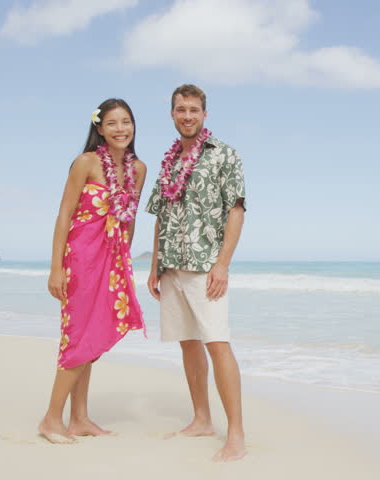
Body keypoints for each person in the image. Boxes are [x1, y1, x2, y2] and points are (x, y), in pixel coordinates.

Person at [146, 84, 247, 462]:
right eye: (180, 110)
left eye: (193, 110)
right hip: (172, 267)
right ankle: (202, 419)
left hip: (206, 268)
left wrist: (223, 264)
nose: (187, 116)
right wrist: (155, 265)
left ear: (204, 114)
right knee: (188, 342)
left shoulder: (224, 155)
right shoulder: (168, 161)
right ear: (172, 114)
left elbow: (235, 210)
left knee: (217, 343)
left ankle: (236, 434)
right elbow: (160, 216)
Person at [38, 98, 147, 444]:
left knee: (93, 337)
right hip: (81, 258)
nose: (120, 129)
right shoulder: (86, 162)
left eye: (126, 122)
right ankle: (51, 420)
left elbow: (129, 221)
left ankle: (79, 418)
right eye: (112, 123)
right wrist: (56, 268)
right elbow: (64, 215)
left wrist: (124, 261)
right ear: (99, 128)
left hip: (113, 262)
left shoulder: (138, 169)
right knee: (78, 337)